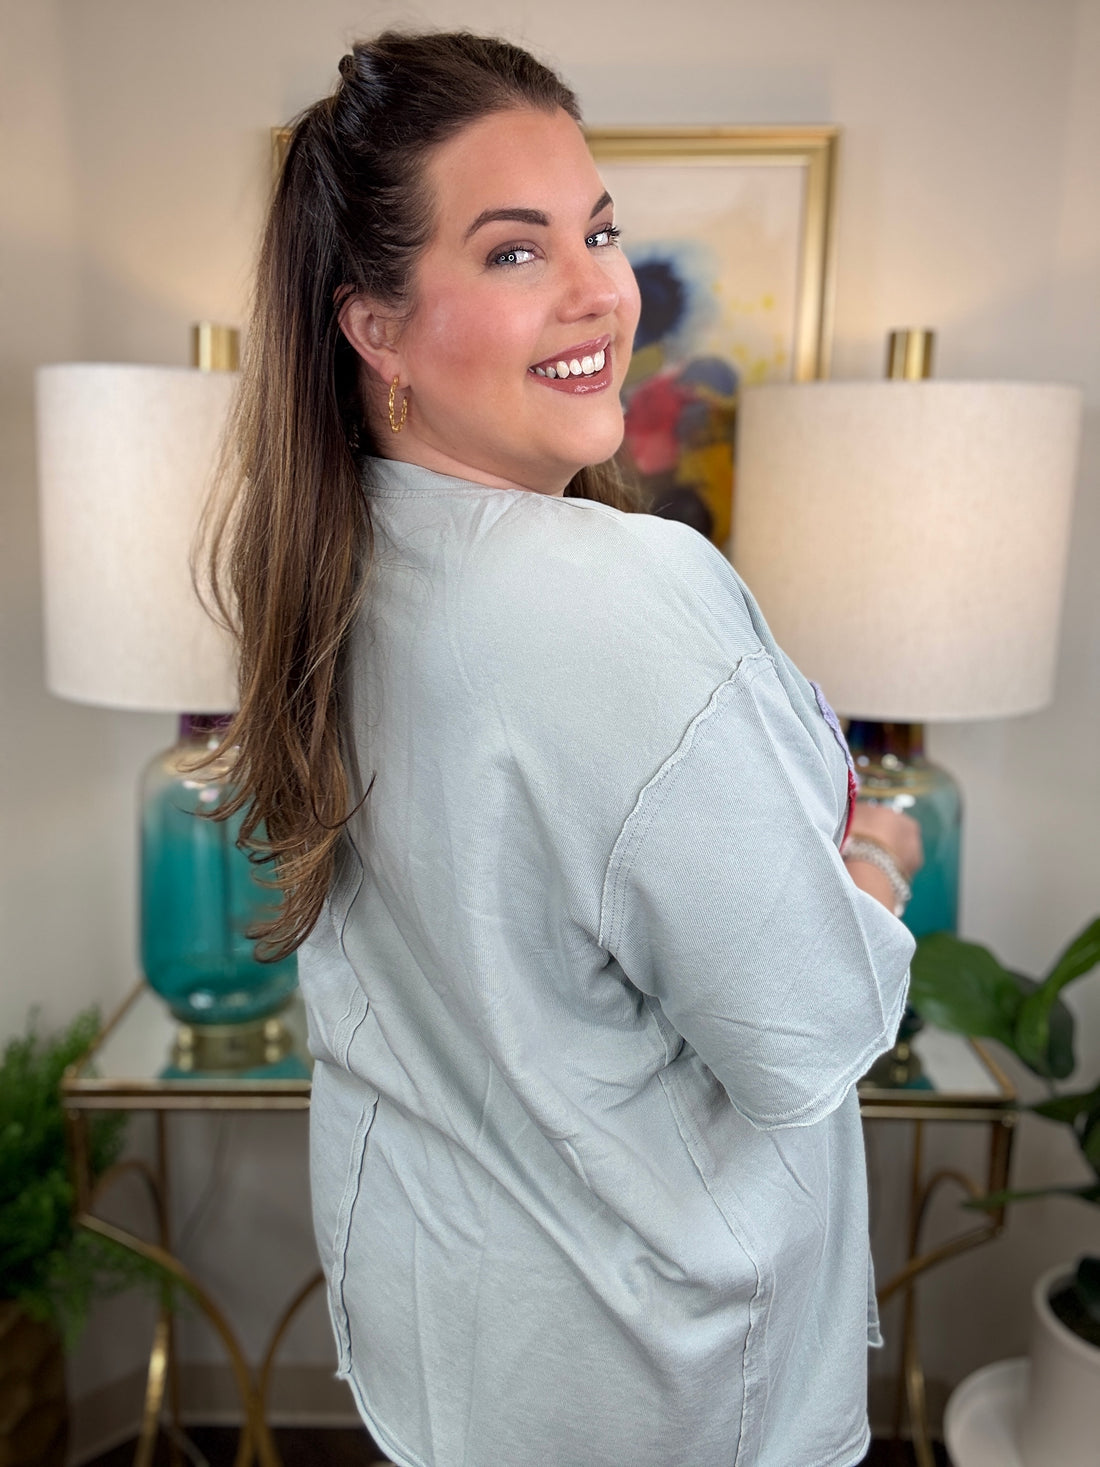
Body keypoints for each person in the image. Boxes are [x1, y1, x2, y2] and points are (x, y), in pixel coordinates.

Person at [211, 31, 920, 1467]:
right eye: (515, 253)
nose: (602, 287)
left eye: (598, 231)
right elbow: (802, 1036)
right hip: (654, 1391)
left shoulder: (338, 575)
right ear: (377, 326)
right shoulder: (624, 598)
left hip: (450, 1350)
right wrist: (875, 867)